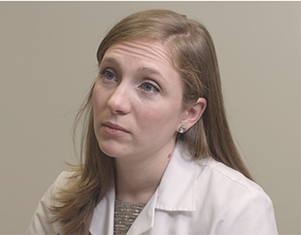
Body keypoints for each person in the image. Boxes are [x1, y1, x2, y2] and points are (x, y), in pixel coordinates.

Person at [26, 9, 278, 235]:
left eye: (149, 86)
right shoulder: (64, 192)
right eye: (109, 74)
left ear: (189, 113)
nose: (116, 102)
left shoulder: (237, 207)